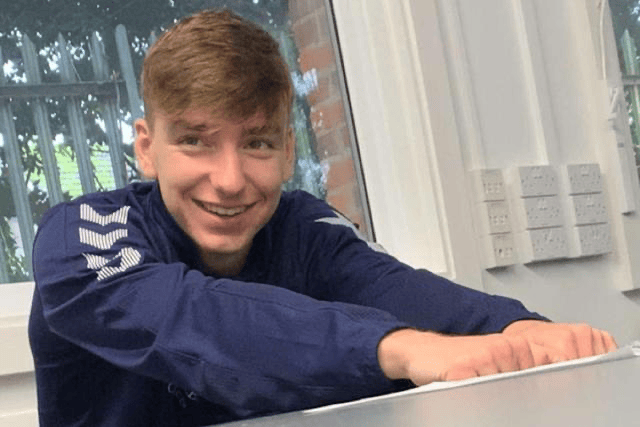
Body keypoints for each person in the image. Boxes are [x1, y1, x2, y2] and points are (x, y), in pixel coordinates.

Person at [28, 8, 617, 427]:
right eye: (195, 141)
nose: (229, 179)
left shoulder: (303, 227)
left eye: (257, 143)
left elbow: (391, 286)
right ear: (147, 147)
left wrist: (514, 328)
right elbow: (191, 318)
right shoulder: (82, 236)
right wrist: (397, 348)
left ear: (288, 151)